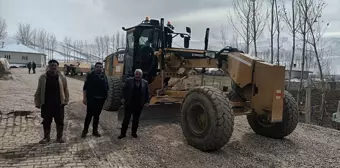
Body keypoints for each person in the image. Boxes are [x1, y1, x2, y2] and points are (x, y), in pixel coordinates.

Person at [34, 59, 69, 144]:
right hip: (46, 103)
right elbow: (39, 89)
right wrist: (37, 102)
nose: (53, 67)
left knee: (60, 121)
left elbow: (66, 89)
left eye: (55, 65)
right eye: (51, 65)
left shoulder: (62, 77)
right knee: (46, 121)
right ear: (48, 67)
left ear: (57, 67)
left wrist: (66, 100)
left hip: (59, 103)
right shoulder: (43, 77)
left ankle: (59, 137)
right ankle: (46, 137)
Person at [118, 69, 150, 139]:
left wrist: (147, 101)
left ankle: (134, 133)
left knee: (136, 120)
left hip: (139, 104)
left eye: (139, 74)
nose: (138, 76)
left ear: (141, 75)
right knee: (126, 119)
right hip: (129, 103)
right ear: (134, 74)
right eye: (137, 74)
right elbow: (123, 90)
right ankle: (123, 134)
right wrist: (123, 98)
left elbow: (147, 93)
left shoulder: (145, 83)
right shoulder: (129, 81)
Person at [81, 62, 109, 138]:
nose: (99, 68)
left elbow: (107, 88)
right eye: (98, 67)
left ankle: (95, 131)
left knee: (97, 116)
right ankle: (85, 131)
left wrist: (106, 98)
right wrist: (84, 98)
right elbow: (85, 88)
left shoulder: (104, 76)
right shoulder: (90, 76)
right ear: (95, 68)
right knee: (89, 116)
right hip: (91, 99)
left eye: (101, 67)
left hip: (101, 100)